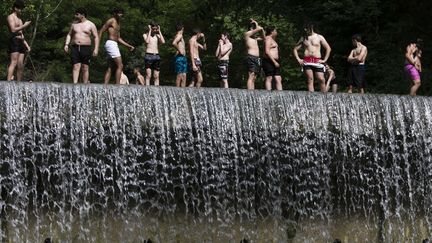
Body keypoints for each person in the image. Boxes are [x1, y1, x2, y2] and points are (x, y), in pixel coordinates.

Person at [98, 8, 134, 84]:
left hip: (114, 44)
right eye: (119, 13)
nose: (120, 15)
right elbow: (101, 31)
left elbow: (118, 38)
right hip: (111, 43)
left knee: (110, 67)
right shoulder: (111, 21)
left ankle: (105, 86)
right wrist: (97, 45)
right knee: (120, 65)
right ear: (114, 13)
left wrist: (128, 46)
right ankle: (117, 85)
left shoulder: (118, 23)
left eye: (121, 13)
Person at [64, 8, 99, 84]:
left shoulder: (90, 24)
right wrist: (66, 44)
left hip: (86, 47)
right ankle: (75, 83)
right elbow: (69, 35)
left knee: (85, 67)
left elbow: (96, 37)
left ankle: (85, 84)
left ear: (82, 15)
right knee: (75, 66)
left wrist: (96, 49)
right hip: (75, 47)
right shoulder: (74, 24)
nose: (75, 15)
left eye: (77, 14)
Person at [293, 22, 331, 92]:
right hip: (307, 61)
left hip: (317, 60)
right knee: (310, 79)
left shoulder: (319, 37)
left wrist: (325, 60)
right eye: (304, 29)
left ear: (311, 27)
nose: (305, 30)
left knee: (321, 79)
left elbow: (328, 48)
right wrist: (298, 59)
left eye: (306, 28)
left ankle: (324, 97)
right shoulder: (303, 38)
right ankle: (311, 97)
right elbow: (295, 49)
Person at [6, 0, 31, 81]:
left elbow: (21, 34)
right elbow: (13, 30)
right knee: (14, 62)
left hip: (21, 42)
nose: (21, 10)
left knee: (20, 65)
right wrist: (24, 25)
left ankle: (18, 84)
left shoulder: (20, 20)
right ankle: (8, 81)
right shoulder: (10, 17)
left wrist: (27, 45)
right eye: (20, 8)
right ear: (15, 8)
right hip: (14, 41)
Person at [143, 21, 165, 86]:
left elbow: (163, 42)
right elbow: (147, 41)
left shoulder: (157, 36)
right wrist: (149, 30)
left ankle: (157, 92)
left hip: (157, 56)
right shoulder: (145, 35)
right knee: (148, 75)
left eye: (156, 29)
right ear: (150, 28)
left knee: (156, 76)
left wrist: (159, 31)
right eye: (153, 29)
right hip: (149, 55)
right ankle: (147, 90)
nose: (155, 30)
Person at [245, 19, 265, 89]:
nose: (254, 29)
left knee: (254, 77)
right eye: (252, 27)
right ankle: (249, 93)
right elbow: (258, 29)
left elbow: (263, 37)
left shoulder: (255, 38)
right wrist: (256, 24)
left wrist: (261, 29)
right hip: (251, 57)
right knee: (251, 75)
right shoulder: (247, 34)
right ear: (250, 28)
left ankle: (252, 93)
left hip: (257, 59)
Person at [263, 26, 282, 90]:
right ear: (272, 32)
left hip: (275, 61)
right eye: (275, 31)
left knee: (278, 78)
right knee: (269, 77)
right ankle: (268, 94)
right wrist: (274, 62)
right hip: (269, 60)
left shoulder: (273, 39)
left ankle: (281, 94)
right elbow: (267, 51)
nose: (276, 32)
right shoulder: (268, 38)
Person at [172, 23, 187, 87]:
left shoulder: (179, 35)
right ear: (182, 28)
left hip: (182, 57)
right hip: (180, 57)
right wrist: (180, 50)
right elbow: (174, 43)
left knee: (184, 75)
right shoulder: (179, 35)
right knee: (180, 75)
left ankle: (182, 92)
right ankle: (177, 92)